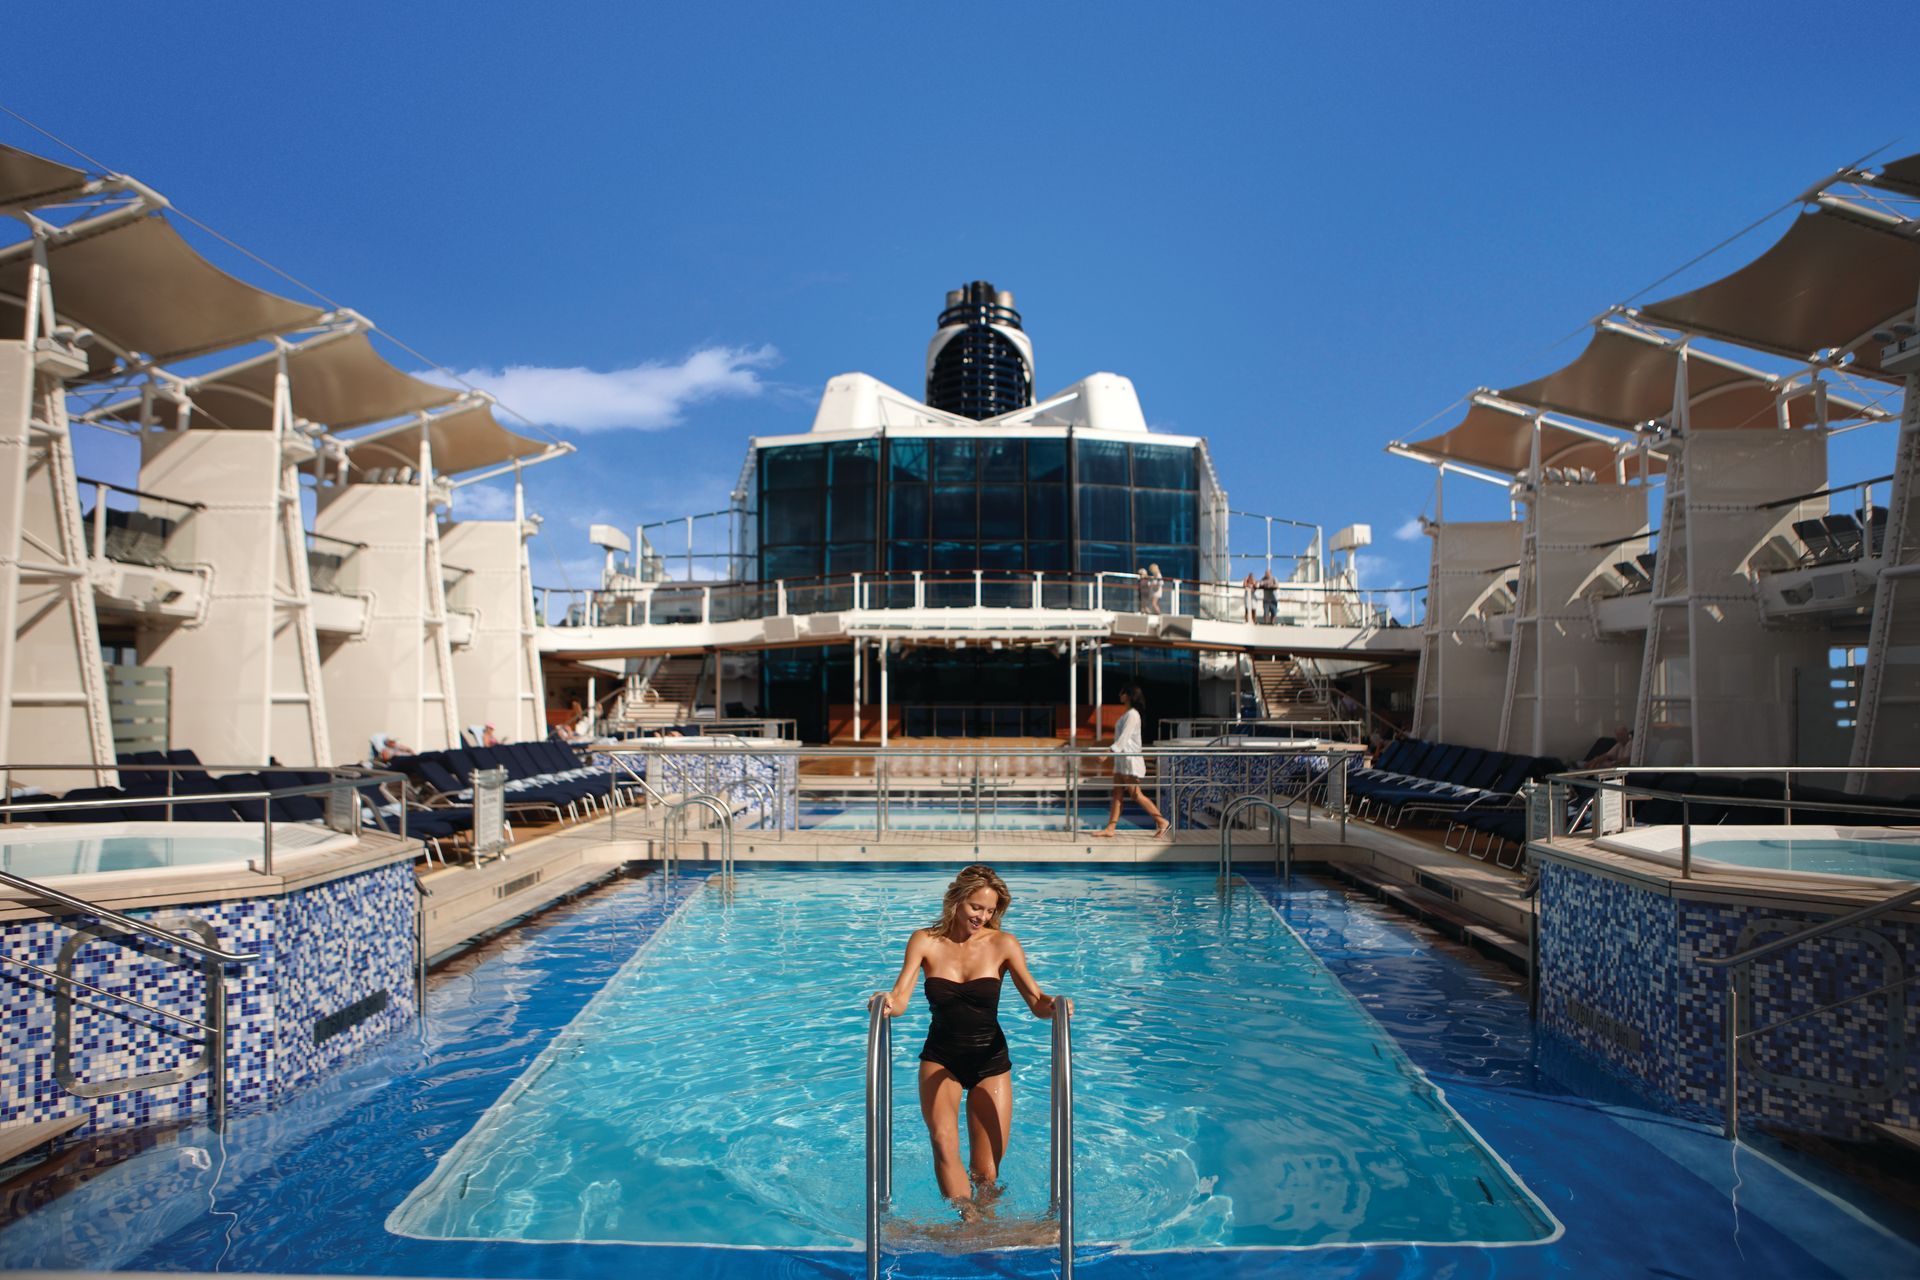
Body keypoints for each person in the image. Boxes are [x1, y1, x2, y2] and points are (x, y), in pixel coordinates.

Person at [876, 865, 1064, 1215]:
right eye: (977, 907)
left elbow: (1037, 1001)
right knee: (943, 1143)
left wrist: (1057, 1007)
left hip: (990, 1061)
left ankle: (986, 1219)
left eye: (991, 910)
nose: (983, 916)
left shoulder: (1003, 944)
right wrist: (884, 1002)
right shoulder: (925, 940)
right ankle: (969, 1221)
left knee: (986, 1172)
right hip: (941, 1057)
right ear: (957, 900)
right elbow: (900, 999)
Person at [1095, 685, 1170, 838]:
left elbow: (1125, 737)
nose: (1119, 695)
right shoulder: (1127, 714)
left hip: (1130, 760)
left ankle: (1162, 822)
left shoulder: (1133, 715)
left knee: (1136, 794)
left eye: (1122, 692)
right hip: (1122, 760)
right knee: (1117, 794)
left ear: (1128, 695)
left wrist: (1109, 752)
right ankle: (1110, 828)